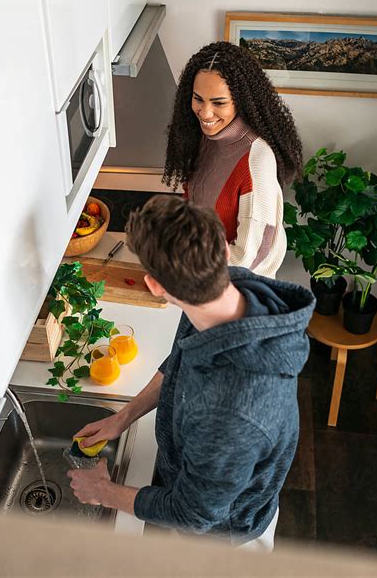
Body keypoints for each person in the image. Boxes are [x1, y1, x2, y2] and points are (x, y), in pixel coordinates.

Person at [68, 195, 315, 550]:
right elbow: (178, 362)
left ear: (155, 286)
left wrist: (104, 492)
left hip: (225, 535)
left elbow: (194, 515)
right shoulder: (222, 292)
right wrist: (123, 416)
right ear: (224, 251)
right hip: (215, 482)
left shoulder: (231, 412)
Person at [162, 41, 303, 278]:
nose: (205, 113)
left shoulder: (256, 161)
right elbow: (195, 198)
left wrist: (185, 270)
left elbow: (247, 258)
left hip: (234, 289)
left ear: (242, 100)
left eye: (219, 103)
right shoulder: (207, 136)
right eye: (198, 99)